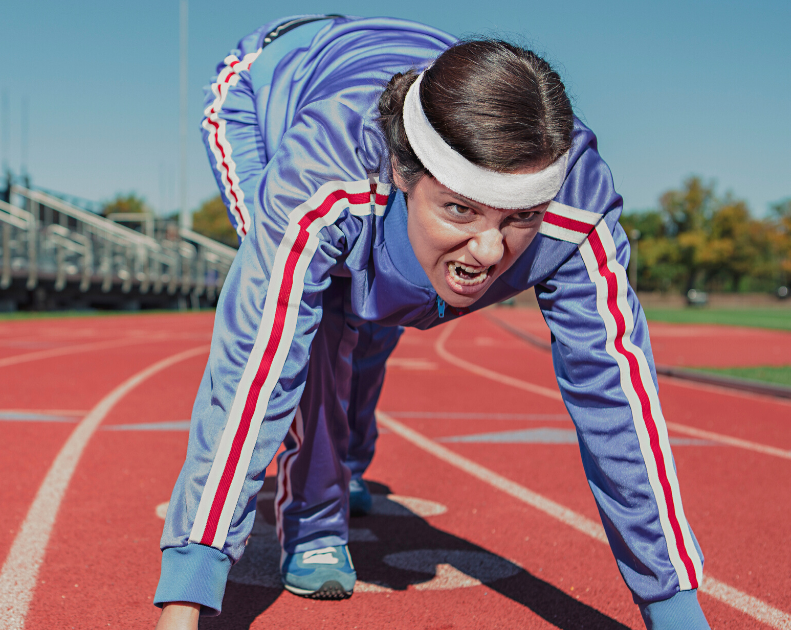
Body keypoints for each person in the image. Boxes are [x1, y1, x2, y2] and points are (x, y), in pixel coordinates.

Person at [155, 15, 710, 630]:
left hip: (402, 90)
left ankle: (348, 461)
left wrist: (674, 605)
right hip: (266, 93)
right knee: (318, 318)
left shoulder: (577, 206)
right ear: (404, 173)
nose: (489, 252)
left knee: (384, 310)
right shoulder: (322, 175)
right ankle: (314, 518)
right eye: (460, 209)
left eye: (519, 217)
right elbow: (255, 365)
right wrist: (191, 583)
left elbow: (618, 399)